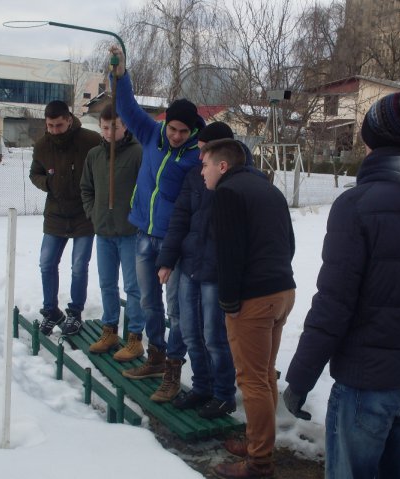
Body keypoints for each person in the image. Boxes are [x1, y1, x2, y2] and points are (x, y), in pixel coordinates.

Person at [284, 92, 400, 479]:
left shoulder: (357, 207)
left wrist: (299, 379)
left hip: (366, 386)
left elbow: (333, 306)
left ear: (372, 140)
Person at [108, 45, 205, 403]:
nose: (176, 135)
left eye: (183, 131)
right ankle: (156, 357)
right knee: (149, 302)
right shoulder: (152, 135)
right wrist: (119, 77)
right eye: (173, 128)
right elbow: (126, 108)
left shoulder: (197, 156)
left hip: (174, 243)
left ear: (193, 130)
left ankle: (174, 371)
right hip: (142, 234)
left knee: (177, 308)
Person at [201, 139, 296, 479]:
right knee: (265, 374)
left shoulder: (227, 193)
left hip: (253, 299)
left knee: (252, 380)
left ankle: (259, 463)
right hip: (283, 291)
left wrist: (229, 301)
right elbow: (291, 242)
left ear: (222, 166)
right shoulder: (266, 188)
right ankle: (259, 442)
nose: (202, 173)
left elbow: (230, 253)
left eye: (205, 165)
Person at [157, 122, 250, 420]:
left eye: (203, 152)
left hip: (217, 272)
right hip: (189, 265)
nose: (199, 160)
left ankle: (223, 394)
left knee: (214, 336)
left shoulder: (241, 180)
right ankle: (201, 387)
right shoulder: (194, 177)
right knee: (189, 330)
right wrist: (168, 259)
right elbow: (180, 218)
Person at [29, 100, 101, 336]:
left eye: (59, 125)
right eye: (50, 125)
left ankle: (75, 313)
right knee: (47, 263)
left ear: (69, 119)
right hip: (56, 214)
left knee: (79, 266)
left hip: (84, 215)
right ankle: (51, 311)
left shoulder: (90, 141)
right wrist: (47, 183)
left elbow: (105, 166)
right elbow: (34, 173)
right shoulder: (42, 146)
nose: (54, 130)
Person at [79, 104, 146, 358]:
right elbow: (86, 188)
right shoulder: (94, 155)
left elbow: (146, 189)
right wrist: (93, 212)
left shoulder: (137, 153)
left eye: (114, 127)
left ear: (124, 126)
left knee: (133, 286)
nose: (109, 132)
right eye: (105, 127)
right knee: (107, 283)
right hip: (104, 232)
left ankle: (135, 337)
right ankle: (109, 331)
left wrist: (136, 217)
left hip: (130, 233)